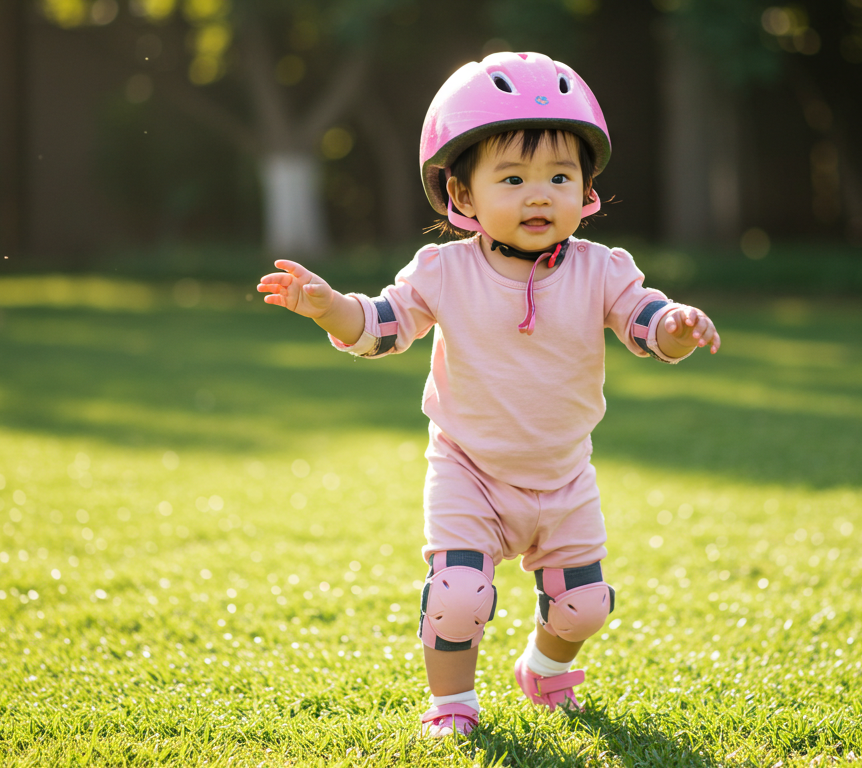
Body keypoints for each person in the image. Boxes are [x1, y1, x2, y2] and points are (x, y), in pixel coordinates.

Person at [257, 51, 721, 738]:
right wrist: (328, 307)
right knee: (458, 596)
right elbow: (380, 328)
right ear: (463, 195)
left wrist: (679, 327)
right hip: (468, 468)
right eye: (513, 177)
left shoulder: (601, 270)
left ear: (586, 189)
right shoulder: (444, 272)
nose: (540, 195)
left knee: (585, 605)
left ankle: (543, 667)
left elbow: (647, 324)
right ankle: (453, 704)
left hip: (562, 473)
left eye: (560, 176)